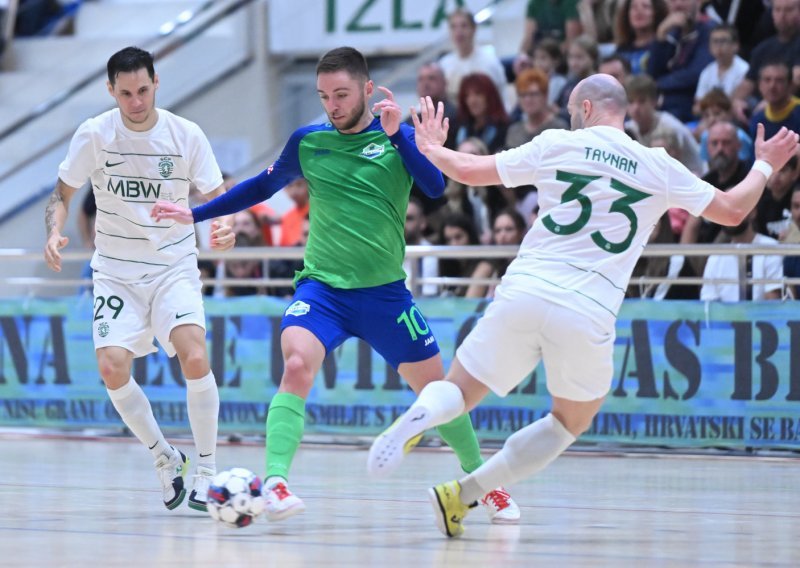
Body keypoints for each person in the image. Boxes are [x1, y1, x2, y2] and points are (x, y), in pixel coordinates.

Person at [366, 73, 799, 538]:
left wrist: (429, 147)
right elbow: (734, 211)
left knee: (459, 391)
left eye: (573, 111)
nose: (571, 120)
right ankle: (465, 493)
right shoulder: (657, 163)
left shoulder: (556, 144)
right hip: (588, 306)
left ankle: (424, 416)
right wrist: (764, 165)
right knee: (567, 421)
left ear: (589, 109)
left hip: (525, 290)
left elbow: (469, 170)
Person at [151, 46, 520, 524]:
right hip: (321, 291)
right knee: (298, 363)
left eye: (342, 94)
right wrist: (195, 212)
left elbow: (432, 188)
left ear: (368, 89)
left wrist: (404, 140)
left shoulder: (398, 138)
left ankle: (483, 483)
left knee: (439, 392)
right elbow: (261, 187)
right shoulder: (308, 141)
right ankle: (276, 483)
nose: (333, 105)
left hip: (385, 296)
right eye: (325, 96)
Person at [43, 46, 234, 512]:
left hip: (173, 265)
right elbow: (62, 193)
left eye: (143, 90)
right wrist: (54, 230)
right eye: (125, 93)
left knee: (193, 353)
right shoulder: (94, 134)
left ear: (156, 83)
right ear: (111, 91)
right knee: (111, 366)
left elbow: (216, 194)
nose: (136, 101)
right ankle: (165, 458)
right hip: (115, 271)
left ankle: (206, 471)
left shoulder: (184, 135)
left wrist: (223, 225)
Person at [700, 210, 785, 301]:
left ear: (753, 212)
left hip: (760, 314)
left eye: (735, 208)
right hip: (725, 315)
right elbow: (708, 305)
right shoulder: (716, 257)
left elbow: (772, 303)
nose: (730, 214)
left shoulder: (771, 248)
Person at [694, 24, 750, 109]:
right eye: (715, 41)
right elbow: (697, 107)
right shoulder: (707, 71)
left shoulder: (745, 70)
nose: (719, 46)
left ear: (736, 45)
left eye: (723, 41)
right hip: (709, 117)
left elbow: (732, 105)